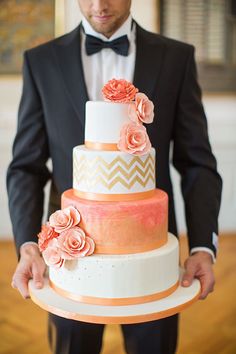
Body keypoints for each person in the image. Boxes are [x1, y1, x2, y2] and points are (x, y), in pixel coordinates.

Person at [7, 1, 222, 353]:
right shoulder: (41, 61)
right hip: (69, 257)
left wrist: (202, 247)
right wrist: (28, 245)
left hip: (152, 257)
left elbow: (198, 163)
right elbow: (25, 167)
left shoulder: (176, 58)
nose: (99, 4)